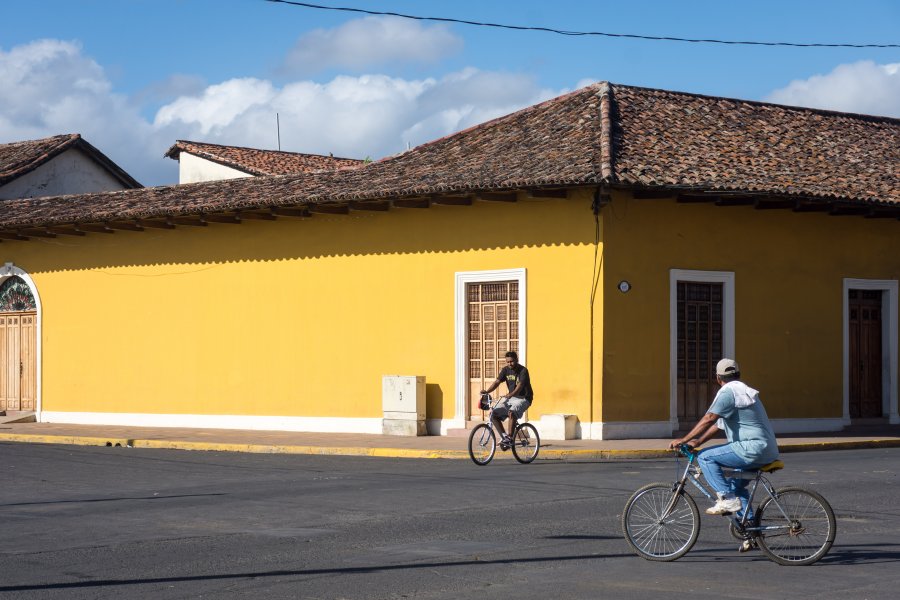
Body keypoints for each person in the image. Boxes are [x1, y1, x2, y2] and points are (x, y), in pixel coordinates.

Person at [669, 358, 779, 549]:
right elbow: (719, 425)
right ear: (738, 374)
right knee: (737, 486)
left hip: (750, 448)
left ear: (718, 378)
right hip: (766, 449)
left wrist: (684, 439)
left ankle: (726, 500)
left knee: (705, 457)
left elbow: (710, 418)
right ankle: (751, 532)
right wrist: (698, 441)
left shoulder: (728, 392)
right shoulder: (742, 391)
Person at [480, 351, 534, 450]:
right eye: (508, 362)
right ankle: (505, 437)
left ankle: (510, 437)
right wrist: (487, 391)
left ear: (516, 360)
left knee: (511, 412)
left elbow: (520, 385)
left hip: (524, 398)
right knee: (493, 414)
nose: (510, 364)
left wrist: (511, 394)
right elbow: (497, 382)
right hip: (511, 398)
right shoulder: (505, 370)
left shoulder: (523, 370)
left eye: (512, 361)